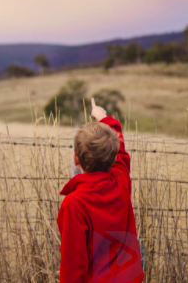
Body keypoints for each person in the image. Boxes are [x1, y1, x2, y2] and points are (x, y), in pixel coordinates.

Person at [57, 98, 144, 283]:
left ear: (76, 159)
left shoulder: (74, 204)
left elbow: (72, 267)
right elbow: (120, 150)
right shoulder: (120, 181)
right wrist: (103, 117)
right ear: (112, 159)